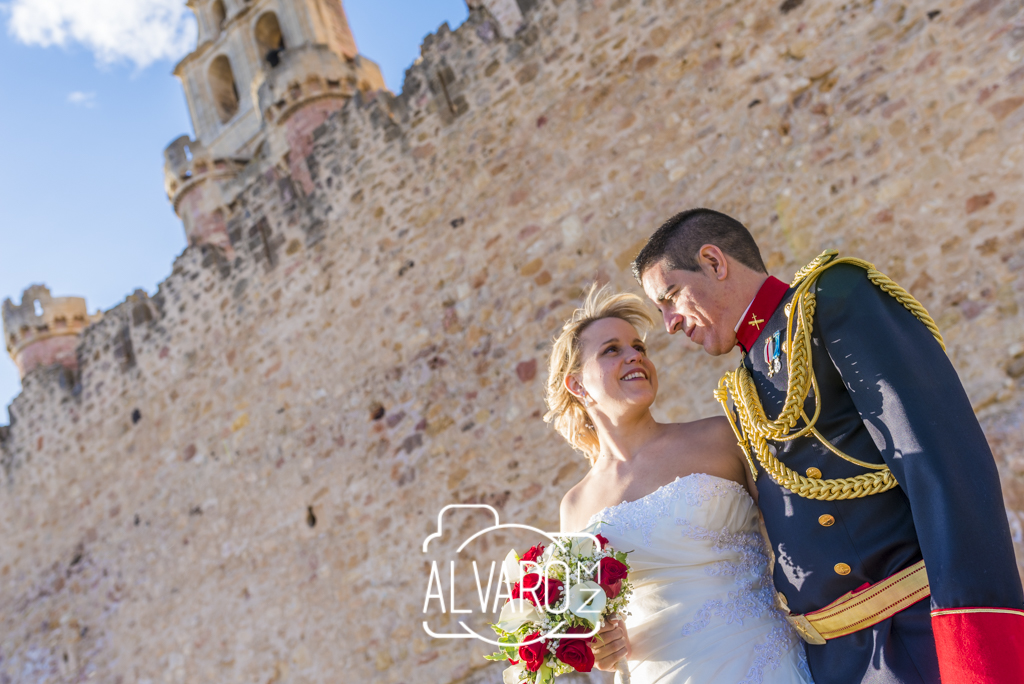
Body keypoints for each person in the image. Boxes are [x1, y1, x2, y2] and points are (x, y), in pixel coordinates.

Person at [630, 207, 1024, 684]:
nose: (669, 323)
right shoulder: (742, 387)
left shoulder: (832, 298)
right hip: (835, 660)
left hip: (912, 637)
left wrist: (976, 645)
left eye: (670, 297)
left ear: (714, 262)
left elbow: (944, 465)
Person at [545, 285, 813, 683]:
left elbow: (803, 534)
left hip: (762, 662)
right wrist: (601, 645)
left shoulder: (721, 436)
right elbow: (592, 628)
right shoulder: (576, 506)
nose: (635, 355)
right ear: (577, 385)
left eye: (638, 346)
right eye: (611, 350)